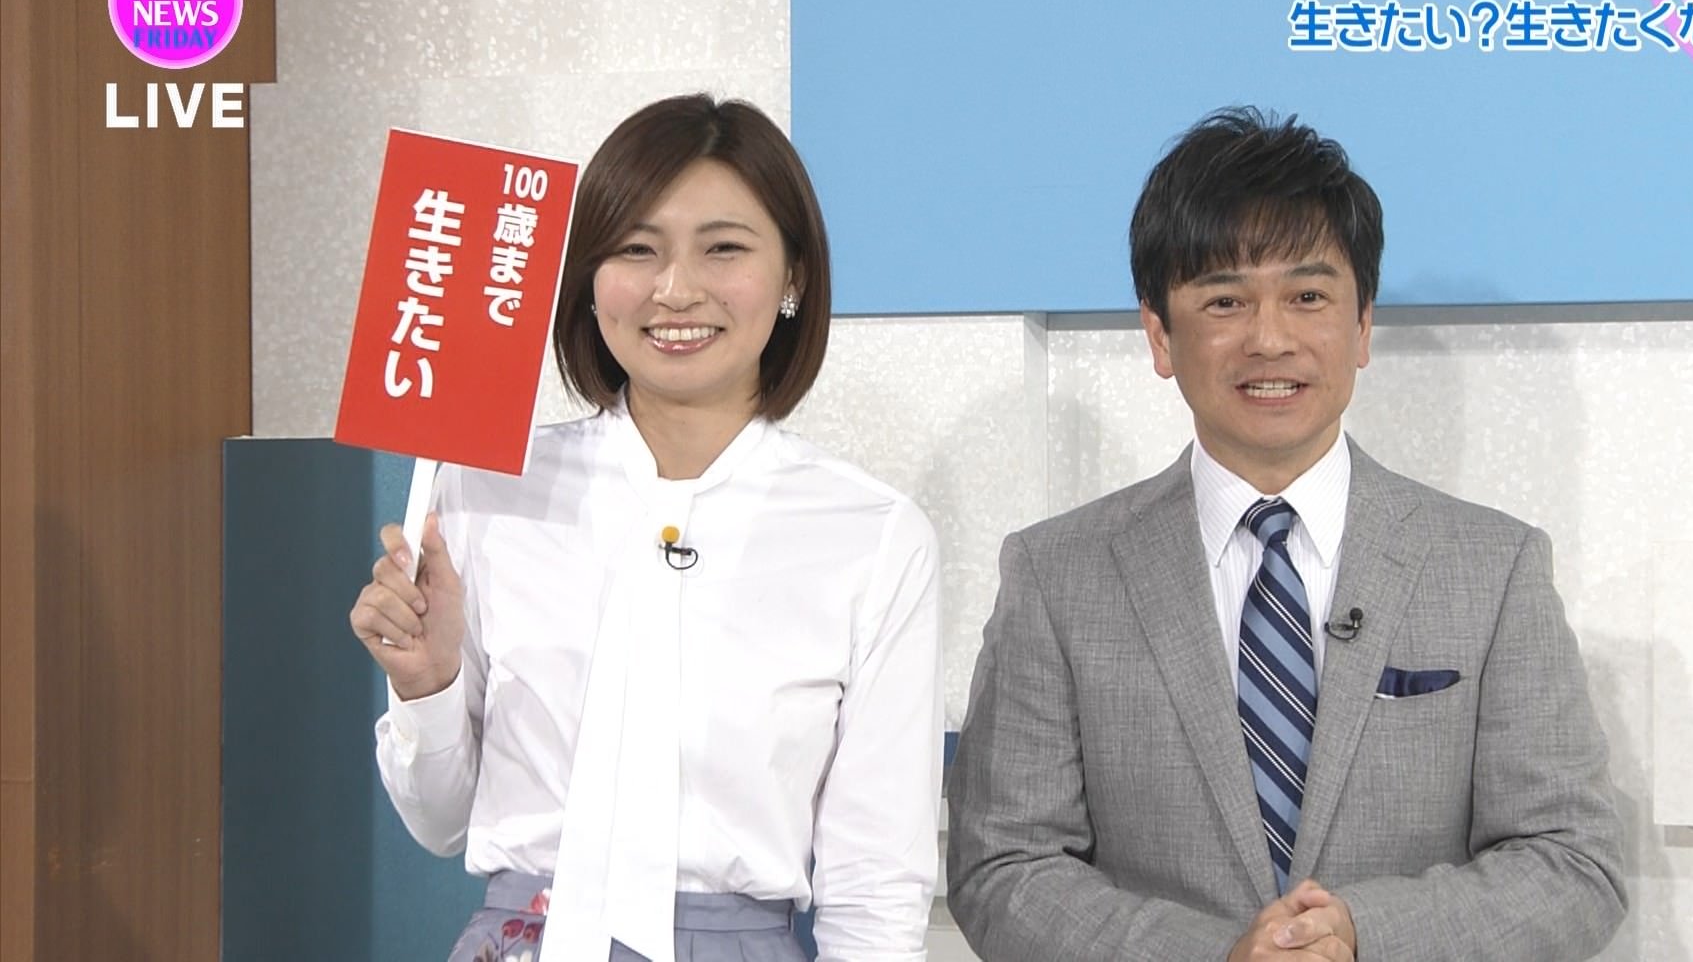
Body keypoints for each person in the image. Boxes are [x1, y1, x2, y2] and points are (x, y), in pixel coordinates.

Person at [945, 108, 1625, 962]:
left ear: (1362, 325)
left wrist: (1362, 935)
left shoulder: (1493, 569)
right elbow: (1002, 866)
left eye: (1308, 297)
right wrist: (1218, 956)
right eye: (1224, 300)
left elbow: (1573, 864)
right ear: (1160, 335)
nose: (1270, 339)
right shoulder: (1057, 575)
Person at [348, 94, 943, 962]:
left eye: (723, 248)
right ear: (591, 281)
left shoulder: (872, 535)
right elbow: (438, 823)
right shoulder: (483, 493)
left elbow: (876, 889)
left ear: (794, 277)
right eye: (637, 249)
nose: (675, 289)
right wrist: (426, 686)